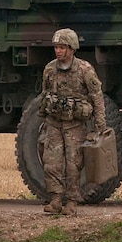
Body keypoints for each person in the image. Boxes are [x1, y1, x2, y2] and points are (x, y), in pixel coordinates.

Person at [39, 28, 106, 216]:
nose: (58, 51)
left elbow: (97, 97)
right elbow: (45, 94)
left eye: (62, 47)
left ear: (72, 48)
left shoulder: (85, 69)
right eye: (56, 47)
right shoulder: (50, 69)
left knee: (73, 164)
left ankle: (72, 201)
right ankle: (55, 199)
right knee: (51, 162)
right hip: (54, 123)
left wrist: (101, 126)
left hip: (74, 125)